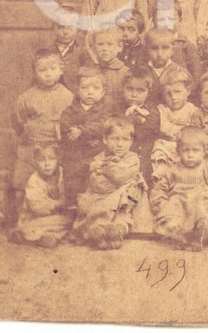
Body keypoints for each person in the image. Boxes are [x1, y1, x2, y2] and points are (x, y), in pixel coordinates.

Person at [10, 49, 74, 218]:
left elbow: (73, 121)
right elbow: (17, 120)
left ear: (61, 69)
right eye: (43, 70)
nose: (48, 74)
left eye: (53, 69)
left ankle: (56, 218)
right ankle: (21, 218)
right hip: (32, 146)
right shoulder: (26, 97)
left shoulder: (68, 97)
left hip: (57, 146)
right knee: (21, 181)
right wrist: (28, 133)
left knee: (58, 182)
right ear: (34, 72)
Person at [151, 126, 208, 251]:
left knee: (207, 210)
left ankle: (201, 234)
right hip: (179, 201)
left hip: (201, 200)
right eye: (185, 151)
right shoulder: (172, 169)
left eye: (196, 151)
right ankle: (176, 233)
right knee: (171, 210)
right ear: (178, 152)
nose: (190, 155)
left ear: (204, 151)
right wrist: (159, 201)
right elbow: (160, 187)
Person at [72, 117, 145, 249]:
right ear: (105, 139)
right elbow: (96, 183)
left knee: (123, 212)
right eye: (115, 139)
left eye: (124, 140)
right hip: (101, 196)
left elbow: (120, 175)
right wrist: (105, 176)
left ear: (131, 141)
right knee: (94, 208)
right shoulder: (99, 158)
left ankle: (117, 232)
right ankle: (98, 233)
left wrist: (103, 169)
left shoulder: (132, 158)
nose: (119, 144)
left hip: (125, 200)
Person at [59, 66, 116, 206]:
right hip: (76, 153)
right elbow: (66, 128)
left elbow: (104, 125)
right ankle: (73, 208)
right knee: (72, 177)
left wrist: (82, 131)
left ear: (103, 91)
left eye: (96, 88)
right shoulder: (71, 110)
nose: (90, 92)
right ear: (77, 89)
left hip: (98, 152)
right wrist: (85, 139)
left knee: (98, 179)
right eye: (85, 88)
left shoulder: (106, 108)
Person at [9, 144, 72, 248]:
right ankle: (42, 235)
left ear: (58, 159)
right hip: (38, 216)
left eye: (52, 159)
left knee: (67, 220)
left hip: (61, 217)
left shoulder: (64, 174)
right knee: (32, 224)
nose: (47, 164)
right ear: (35, 162)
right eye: (42, 160)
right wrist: (57, 204)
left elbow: (72, 193)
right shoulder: (34, 180)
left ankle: (42, 237)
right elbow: (36, 206)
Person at [151, 70, 203, 173]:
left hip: (185, 146)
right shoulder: (162, 109)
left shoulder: (193, 110)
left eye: (177, 92)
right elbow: (163, 127)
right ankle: (161, 171)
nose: (173, 97)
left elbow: (194, 131)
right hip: (166, 144)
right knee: (158, 146)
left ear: (188, 91)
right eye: (168, 94)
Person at [119, 66, 160, 183]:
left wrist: (132, 121)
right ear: (123, 88)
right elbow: (115, 126)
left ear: (148, 92)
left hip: (145, 151)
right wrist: (139, 121)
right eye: (129, 89)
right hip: (124, 150)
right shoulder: (119, 107)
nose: (134, 95)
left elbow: (151, 127)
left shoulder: (151, 108)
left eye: (140, 91)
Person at [89, 27, 128, 104]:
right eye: (100, 44)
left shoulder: (126, 73)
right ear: (93, 47)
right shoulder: (90, 72)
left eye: (110, 44)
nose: (105, 48)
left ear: (120, 47)